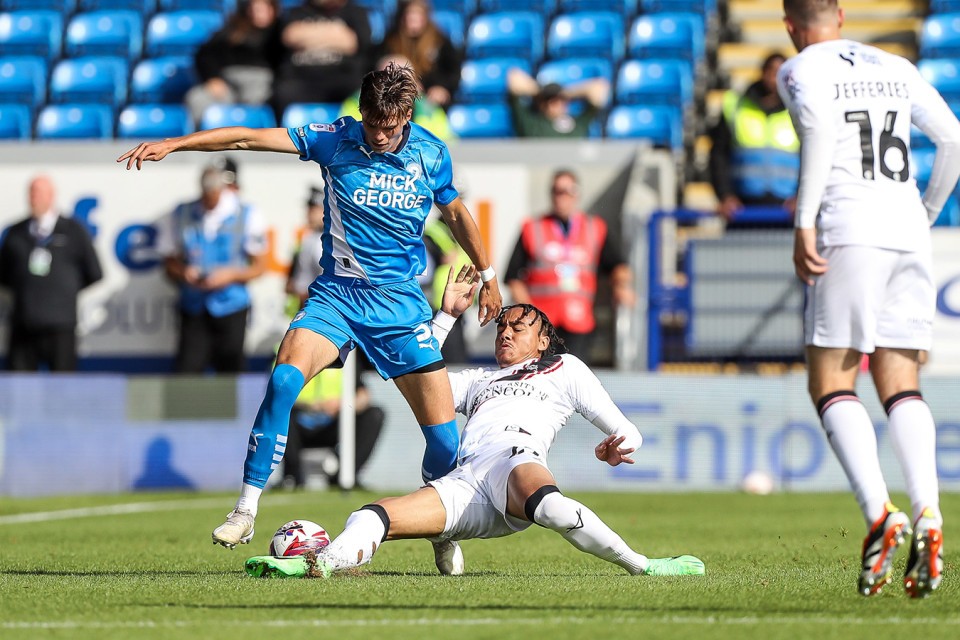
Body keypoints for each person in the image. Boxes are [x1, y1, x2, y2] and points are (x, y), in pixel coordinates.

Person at [118, 63, 502, 561]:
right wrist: (176, 143)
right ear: (361, 112)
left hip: (400, 306)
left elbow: (455, 214)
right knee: (282, 381)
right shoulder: (334, 138)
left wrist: (489, 276)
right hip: (336, 297)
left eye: (389, 126)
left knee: (445, 443)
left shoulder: (431, 154)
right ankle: (246, 509)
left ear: (407, 116)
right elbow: (248, 139)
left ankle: (440, 531)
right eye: (372, 123)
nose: (379, 135)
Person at [243, 266, 705, 579]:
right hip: (466, 482)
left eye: (519, 327)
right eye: (501, 326)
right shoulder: (478, 380)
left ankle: (644, 566)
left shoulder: (566, 369)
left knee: (554, 508)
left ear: (544, 340)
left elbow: (629, 431)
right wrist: (445, 317)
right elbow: (420, 379)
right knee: (370, 515)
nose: (506, 332)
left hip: (516, 464)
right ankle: (317, 565)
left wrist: (619, 445)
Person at [778, 0, 960, 598]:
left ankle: (880, 513)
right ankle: (929, 512)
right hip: (907, 230)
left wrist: (805, 221)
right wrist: (926, 213)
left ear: (790, 25)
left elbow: (820, 134)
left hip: (849, 227)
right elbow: (953, 139)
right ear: (840, 15)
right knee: (902, 382)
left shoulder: (801, 68)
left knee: (831, 380)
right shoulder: (896, 66)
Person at [504, 169, 634, 362]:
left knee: (574, 372)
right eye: (556, 191)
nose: (561, 197)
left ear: (576, 194)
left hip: (579, 320)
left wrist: (622, 286)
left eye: (566, 191)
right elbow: (513, 277)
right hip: (543, 324)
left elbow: (618, 266)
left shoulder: (595, 228)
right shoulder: (533, 228)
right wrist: (528, 316)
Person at [154, 159, 269, 373]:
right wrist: (184, 272)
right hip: (193, 307)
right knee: (187, 373)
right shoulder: (182, 213)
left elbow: (260, 267)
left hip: (231, 306)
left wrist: (230, 275)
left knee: (231, 375)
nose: (209, 198)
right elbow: (168, 262)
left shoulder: (247, 214)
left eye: (214, 192)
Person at [0, 175, 102, 371]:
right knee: (20, 383)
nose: (33, 198)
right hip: (24, 324)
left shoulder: (73, 231)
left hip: (60, 325)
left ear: (51, 196)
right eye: (31, 193)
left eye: (38, 193)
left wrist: (64, 290)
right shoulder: (16, 232)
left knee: (62, 383)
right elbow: (4, 274)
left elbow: (94, 272)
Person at [708, 53, 799, 224]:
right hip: (742, 210)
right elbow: (718, 155)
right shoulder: (736, 106)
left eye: (780, 73)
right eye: (771, 71)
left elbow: (812, 157)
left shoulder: (799, 109)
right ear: (762, 72)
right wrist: (725, 195)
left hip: (787, 212)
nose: (774, 78)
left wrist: (801, 197)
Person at [270, 0, 372, 121]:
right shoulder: (296, 12)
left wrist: (307, 37)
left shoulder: (355, 12)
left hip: (341, 80)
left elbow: (353, 42)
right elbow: (289, 36)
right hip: (300, 80)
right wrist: (335, 34)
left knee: (364, 95)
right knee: (280, 92)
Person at [184, 0, 281, 126]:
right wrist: (212, 77)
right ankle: (200, 136)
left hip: (260, 84)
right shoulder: (233, 30)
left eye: (264, 8)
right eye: (254, 8)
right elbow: (205, 54)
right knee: (197, 98)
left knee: (253, 109)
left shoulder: (279, 33)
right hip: (227, 82)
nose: (258, 13)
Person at [340, 54, 454, 141]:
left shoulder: (429, 110)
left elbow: (444, 144)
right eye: (387, 82)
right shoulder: (356, 103)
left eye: (402, 83)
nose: (393, 89)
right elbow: (348, 136)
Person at [378, 0, 462, 109]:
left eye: (417, 14)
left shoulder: (440, 42)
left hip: (432, 99)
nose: (412, 19)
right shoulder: (391, 42)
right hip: (399, 99)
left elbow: (453, 72)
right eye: (409, 14)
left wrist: (442, 88)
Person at [506, 68, 609, 138]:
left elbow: (600, 87)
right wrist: (541, 91)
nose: (552, 103)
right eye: (548, 99)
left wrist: (567, 93)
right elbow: (514, 77)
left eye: (558, 99)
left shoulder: (578, 123)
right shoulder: (531, 122)